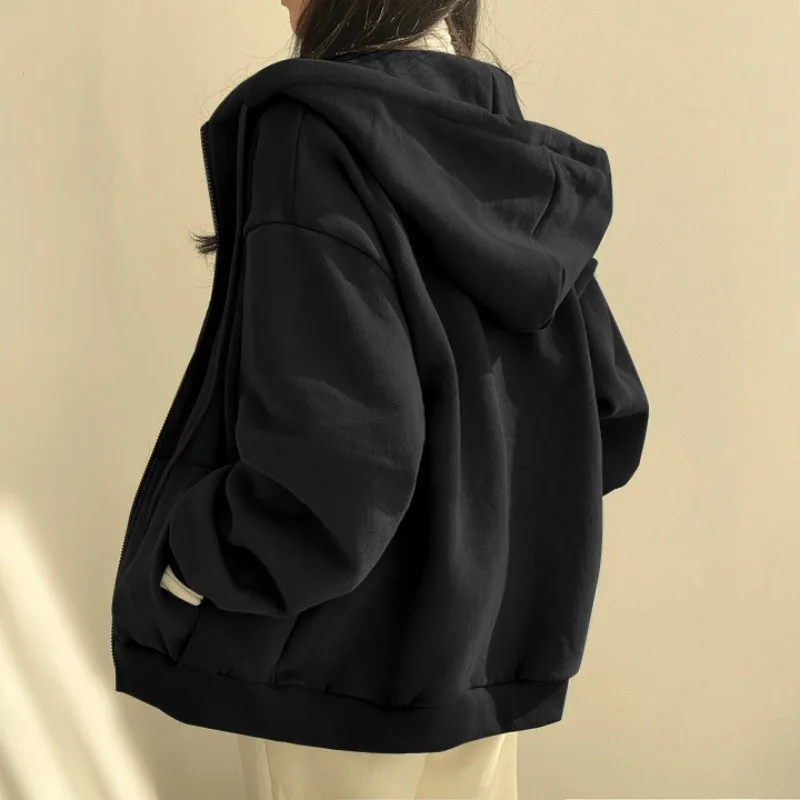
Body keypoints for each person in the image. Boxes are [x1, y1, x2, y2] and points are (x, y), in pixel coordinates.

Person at [110, 0, 650, 797]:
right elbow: (609, 412)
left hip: (332, 673)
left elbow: (336, 464)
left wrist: (192, 561)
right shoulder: (507, 155)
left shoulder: (314, 132)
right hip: (480, 669)